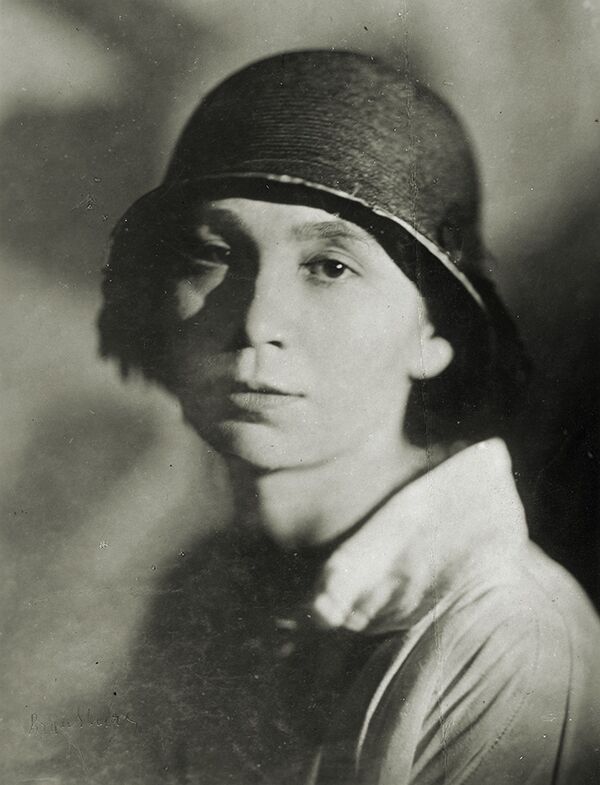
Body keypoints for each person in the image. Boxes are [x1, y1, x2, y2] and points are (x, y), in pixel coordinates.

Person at [96, 50, 600, 784]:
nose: (258, 321)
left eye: (330, 266)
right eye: (215, 253)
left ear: (434, 331)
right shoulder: (204, 588)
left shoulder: (504, 640)